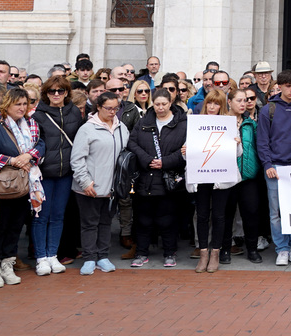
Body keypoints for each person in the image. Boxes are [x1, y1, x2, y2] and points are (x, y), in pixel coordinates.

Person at [0, 87, 44, 289]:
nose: (22, 108)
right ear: (7, 104)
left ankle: (8, 264)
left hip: (26, 183)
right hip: (3, 184)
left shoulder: (31, 123)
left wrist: (29, 156)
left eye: (25, 104)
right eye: (18, 104)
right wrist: (14, 160)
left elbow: (41, 144)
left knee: (16, 226)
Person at [126, 88, 187, 268]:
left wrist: (165, 162)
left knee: (167, 219)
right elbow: (132, 142)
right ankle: (141, 252)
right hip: (145, 177)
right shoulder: (144, 121)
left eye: (164, 104)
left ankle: (170, 252)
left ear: (170, 104)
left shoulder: (182, 124)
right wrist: (147, 160)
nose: (160, 108)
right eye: (157, 104)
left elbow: (185, 149)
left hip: (169, 178)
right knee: (143, 219)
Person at [71, 91, 129, 275]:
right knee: (89, 223)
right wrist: (85, 182)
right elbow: (77, 159)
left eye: (116, 108)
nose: (112, 112)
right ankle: (89, 258)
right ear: (98, 107)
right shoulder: (87, 129)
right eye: (108, 108)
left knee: (106, 223)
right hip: (90, 187)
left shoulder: (122, 128)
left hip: (112, 187)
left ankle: (103, 256)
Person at [183, 88, 236, 273]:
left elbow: (237, 154)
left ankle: (215, 253)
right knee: (202, 214)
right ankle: (203, 253)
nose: (212, 107)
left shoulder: (230, 123)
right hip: (202, 175)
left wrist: (236, 144)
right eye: (210, 103)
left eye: (216, 104)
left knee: (219, 216)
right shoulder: (197, 123)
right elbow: (191, 151)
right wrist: (185, 152)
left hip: (221, 176)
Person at [32, 74, 80, 276]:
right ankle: (41, 257)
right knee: (41, 216)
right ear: (46, 93)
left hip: (66, 172)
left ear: (67, 93)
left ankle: (53, 255)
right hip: (44, 173)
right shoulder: (38, 115)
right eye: (52, 91)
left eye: (61, 90)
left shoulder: (75, 112)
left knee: (58, 215)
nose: (57, 94)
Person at [257, 71, 291, 267]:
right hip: (275, 166)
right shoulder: (268, 110)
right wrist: (267, 164)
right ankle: (282, 249)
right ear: (280, 86)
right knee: (276, 212)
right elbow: (262, 141)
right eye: (288, 86)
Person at [222, 87, 263, 265]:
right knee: (226, 214)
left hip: (247, 176)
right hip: (226, 174)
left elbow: (258, 146)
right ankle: (224, 249)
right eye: (239, 100)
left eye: (245, 100)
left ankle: (252, 249)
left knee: (251, 212)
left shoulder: (251, 124)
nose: (243, 104)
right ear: (229, 102)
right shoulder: (220, 123)